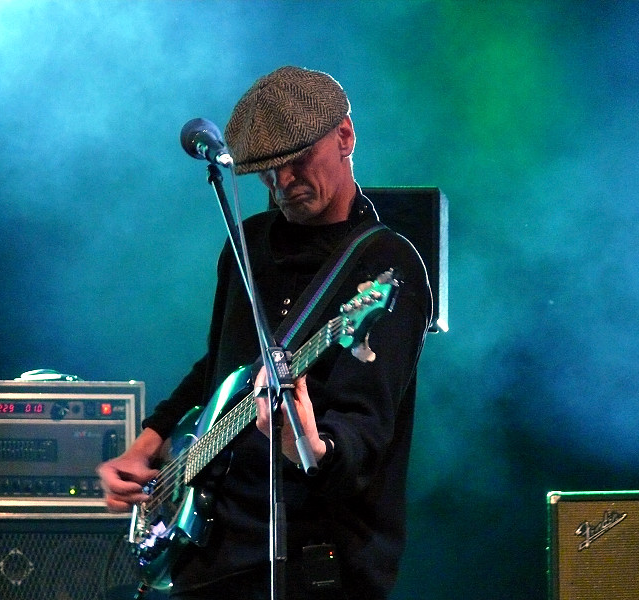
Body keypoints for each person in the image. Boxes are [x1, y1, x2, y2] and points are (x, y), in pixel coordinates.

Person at [97, 65, 432, 600]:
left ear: (345, 136)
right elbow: (217, 367)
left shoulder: (387, 265)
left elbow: (369, 427)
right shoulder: (246, 244)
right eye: (266, 172)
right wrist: (147, 446)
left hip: (311, 559)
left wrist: (309, 444)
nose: (283, 184)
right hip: (210, 553)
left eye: (297, 161)